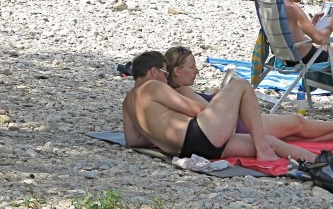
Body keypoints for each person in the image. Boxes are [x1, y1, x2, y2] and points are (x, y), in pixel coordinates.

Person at [121, 51, 314, 162]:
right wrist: (221, 111)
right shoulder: (152, 86)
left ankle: (319, 162)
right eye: (164, 73)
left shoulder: (127, 101)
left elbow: (134, 141)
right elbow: (197, 110)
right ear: (153, 71)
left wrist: (161, 134)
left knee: (273, 141)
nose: (166, 78)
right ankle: (263, 148)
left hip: (185, 150)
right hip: (201, 135)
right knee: (241, 85)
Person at [163, 46, 333, 142]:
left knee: (293, 133)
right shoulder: (180, 92)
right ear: (177, 71)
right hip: (239, 126)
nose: (197, 71)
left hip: (238, 123)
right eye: (192, 67)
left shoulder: (180, 89)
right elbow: (207, 114)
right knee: (296, 123)